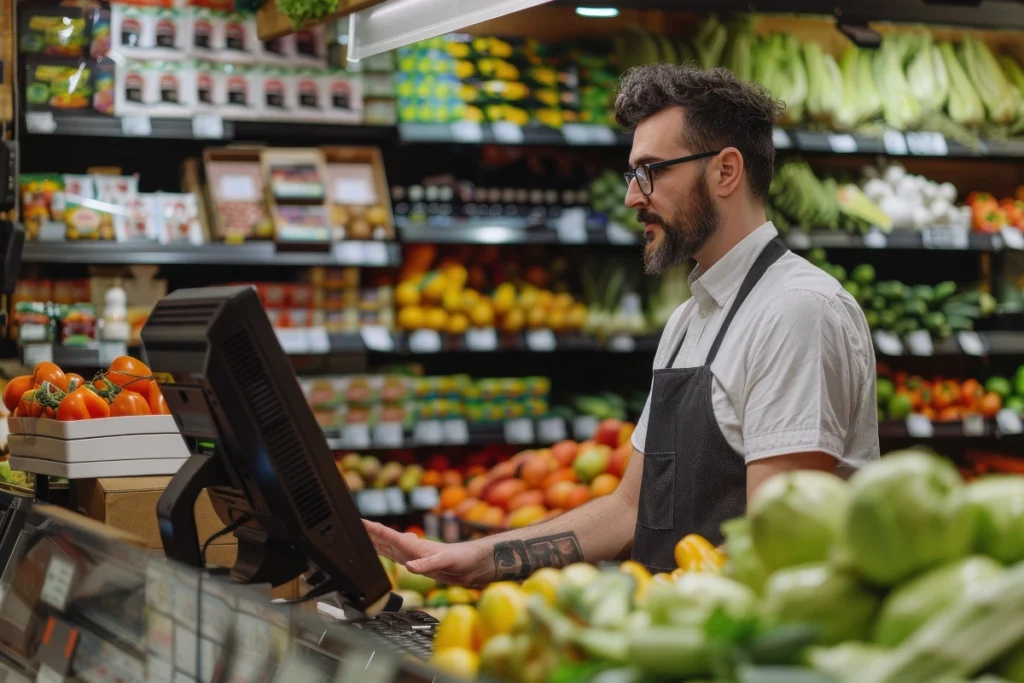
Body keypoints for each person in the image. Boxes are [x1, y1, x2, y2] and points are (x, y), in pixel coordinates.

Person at [365, 64, 880, 583]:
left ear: (726, 172)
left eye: (652, 171)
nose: (634, 197)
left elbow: (782, 546)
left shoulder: (796, 311)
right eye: (633, 174)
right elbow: (628, 508)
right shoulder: (689, 319)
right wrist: (480, 558)